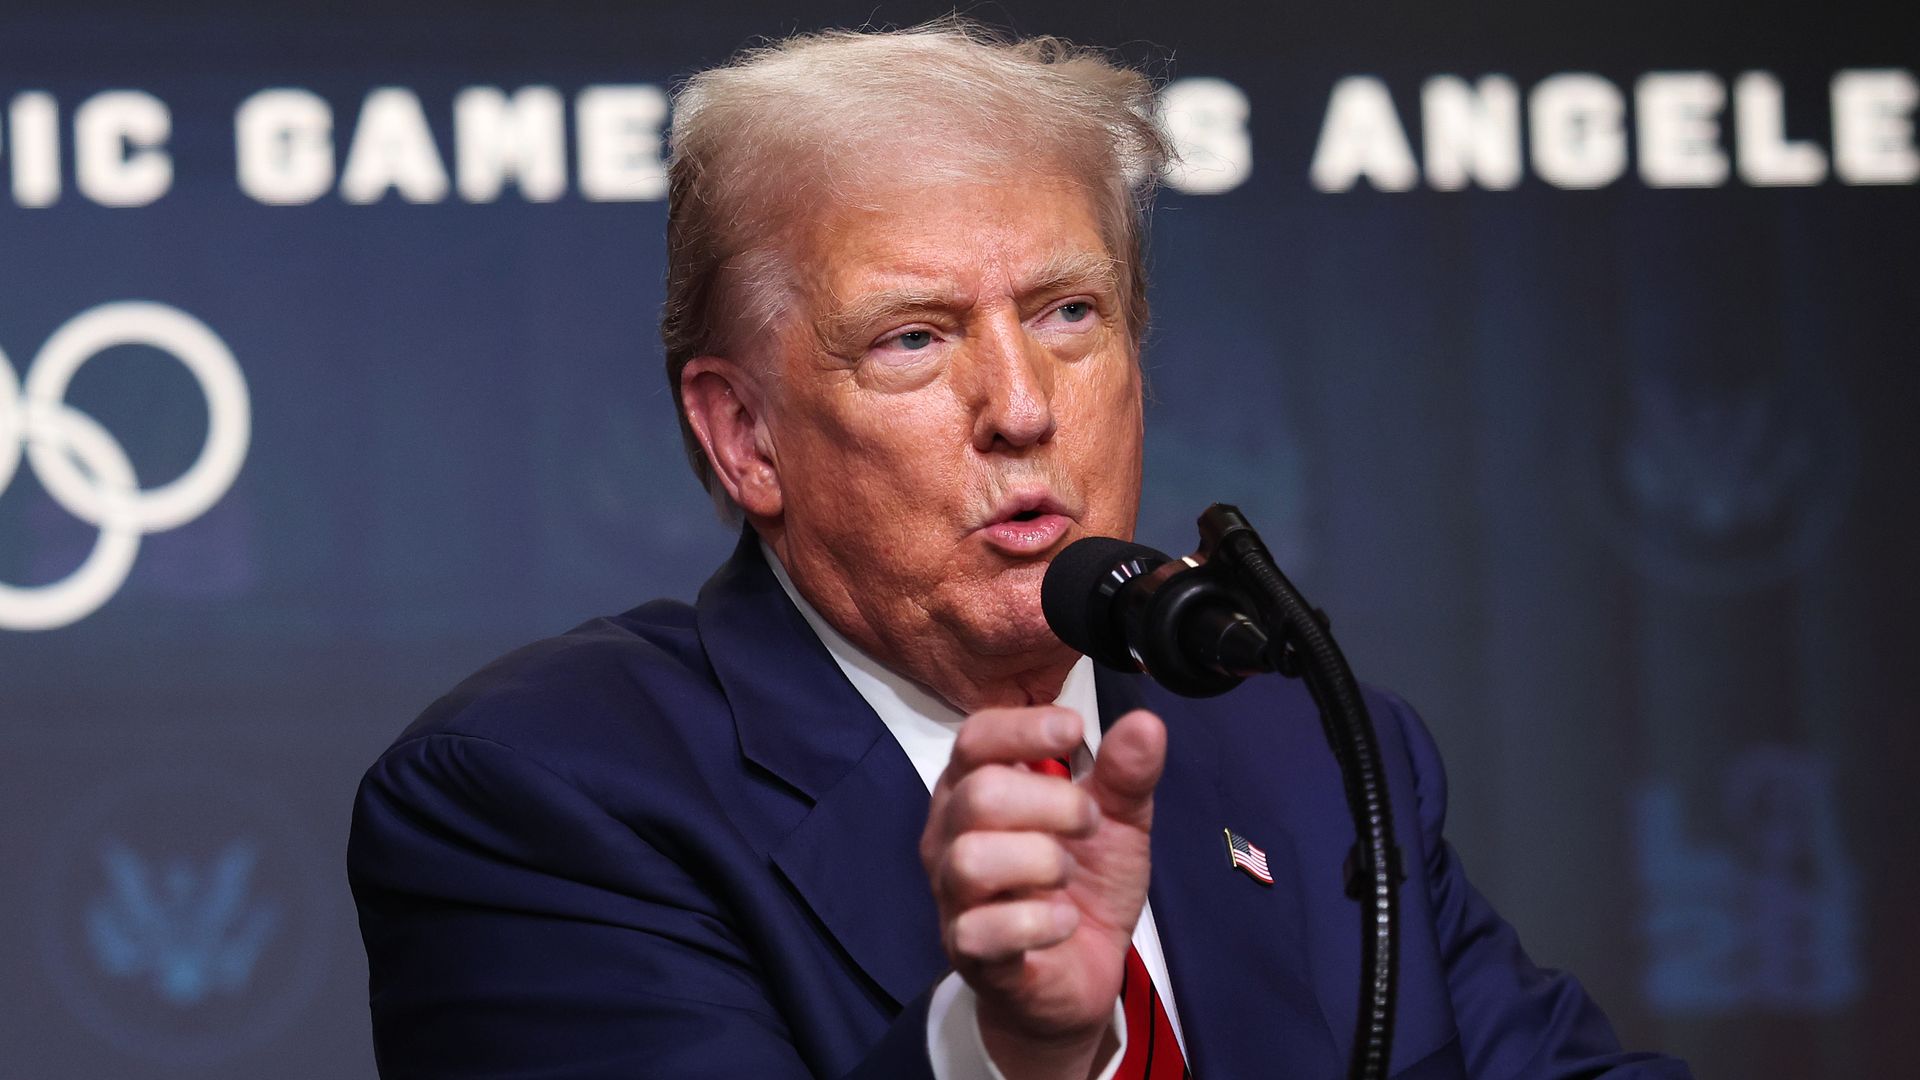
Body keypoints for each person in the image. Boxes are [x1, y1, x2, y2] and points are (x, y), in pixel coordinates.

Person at [349, 21, 1691, 1080]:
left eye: (1068, 313)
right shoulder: (543, 798)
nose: (1023, 405)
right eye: (914, 338)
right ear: (744, 434)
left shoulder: (1313, 753)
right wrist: (998, 1054)